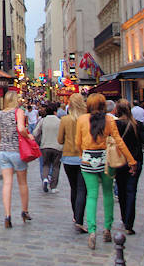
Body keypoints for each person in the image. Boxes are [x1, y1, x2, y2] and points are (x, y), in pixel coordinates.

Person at [76, 93, 137, 249]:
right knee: (108, 193)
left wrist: (83, 154)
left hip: (88, 159)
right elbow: (119, 142)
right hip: (106, 161)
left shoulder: (82, 120)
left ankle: (92, 230)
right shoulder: (109, 120)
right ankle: (107, 228)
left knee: (92, 195)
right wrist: (131, 160)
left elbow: (78, 142)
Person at [0, 90, 32, 228]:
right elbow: (21, 129)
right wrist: (29, 137)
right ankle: (24, 211)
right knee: (22, 183)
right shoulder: (18, 112)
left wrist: (0, 146)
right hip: (17, 151)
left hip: (4, 152)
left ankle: (7, 215)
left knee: (7, 184)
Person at [59, 93, 88, 233]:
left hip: (69, 157)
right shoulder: (86, 119)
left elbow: (59, 140)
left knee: (74, 188)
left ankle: (75, 216)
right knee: (82, 189)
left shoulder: (65, 120)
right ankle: (79, 217)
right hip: (83, 157)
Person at [114, 99, 144, 235]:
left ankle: (124, 217)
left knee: (121, 190)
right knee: (131, 191)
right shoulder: (137, 125)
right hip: (135, 161)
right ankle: (129, 222)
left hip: (120, 161)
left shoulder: (115, 125)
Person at [34, 105, 63, 194]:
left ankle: (45, 178)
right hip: (57, 147)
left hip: (45, 146)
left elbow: (35, 133)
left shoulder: (43, 120)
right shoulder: (59, 121)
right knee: (55, 166)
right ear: (55, 112)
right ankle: (53, 186)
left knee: (45, 165)